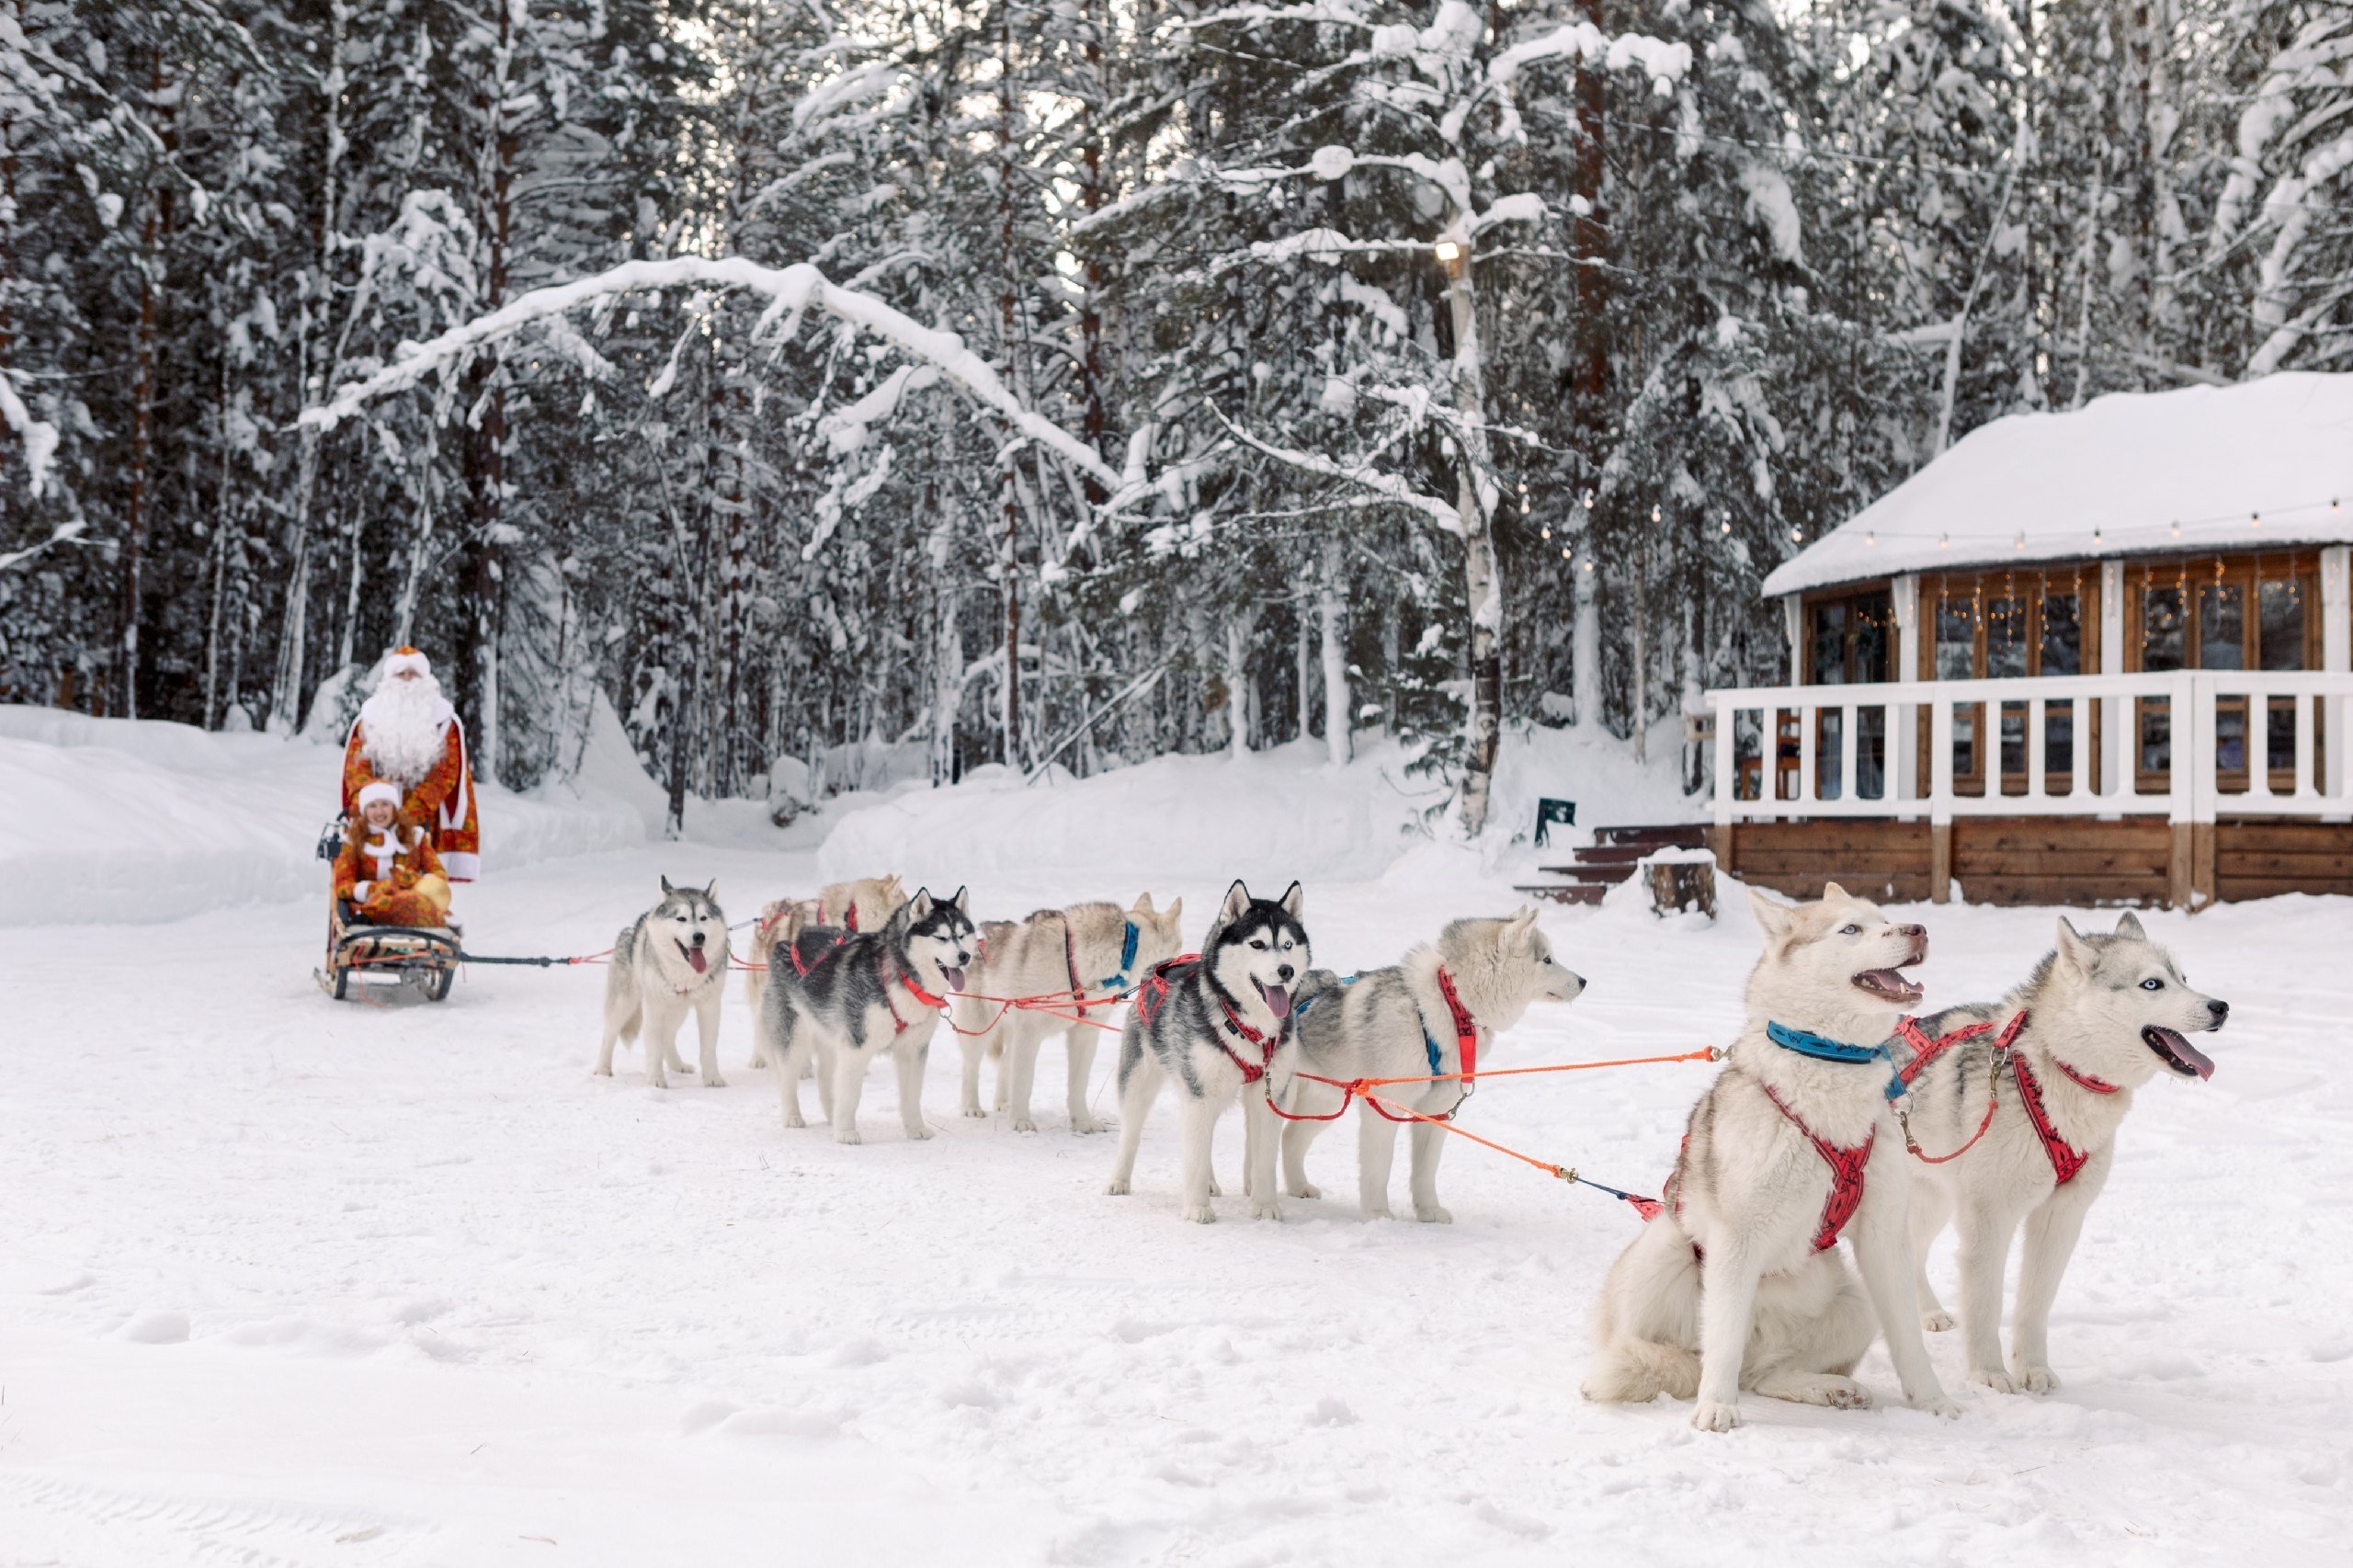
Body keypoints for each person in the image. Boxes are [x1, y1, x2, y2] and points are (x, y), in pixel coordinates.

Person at [341, 646, 481, 881]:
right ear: (389, 680)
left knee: (422, 874)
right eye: (400, 674)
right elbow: (357, 767)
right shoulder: (368, 720)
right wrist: (372, 804)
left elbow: (446, 772)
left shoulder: (445, 721)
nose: (407, 680)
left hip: (425, 813)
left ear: (425, 679)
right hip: (376, 809)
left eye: (412, 674)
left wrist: (413, 812)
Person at [335, 781, 453, 927]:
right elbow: (341, 885)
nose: (379, 812)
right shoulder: (354, 841)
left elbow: (439, 874)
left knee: (413, 901)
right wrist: (373, 888)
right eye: (373, 806)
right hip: (370, 907)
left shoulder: (415, 836)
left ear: (394, 808)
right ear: (365, 811)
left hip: (415, 902)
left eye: (385, 804)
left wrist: (411, 880)